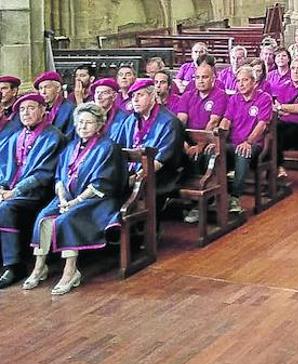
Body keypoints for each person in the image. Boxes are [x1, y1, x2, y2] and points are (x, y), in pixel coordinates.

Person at [24, 103, 127, 295]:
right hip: (68, 198)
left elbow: (103, 183)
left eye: (88, 123)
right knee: (43, 217)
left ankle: (70, 271)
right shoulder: (71, 146)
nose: (83, 126)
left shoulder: (108, 147)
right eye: (80, 122)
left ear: (99, 125)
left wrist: (75, 202)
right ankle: (39, 267)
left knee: (66, 220)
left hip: (97, 200)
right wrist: (62, 196)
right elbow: (59, 177)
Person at [0, 94, 65, 289]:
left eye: (31, 108)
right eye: (21, 109)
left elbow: (43, 175)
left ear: (43, 110)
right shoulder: (15, 137)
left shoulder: (53, 136)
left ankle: (14, 265)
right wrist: (3, 187)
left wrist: (14, 191)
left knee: (5, 208)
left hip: (39, 193)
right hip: (12, 191)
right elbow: (4, 167)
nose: (26, 113)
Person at [110, 79, 183, 211]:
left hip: (159, 173)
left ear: (153, 96)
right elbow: (117, 147)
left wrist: (135, 178)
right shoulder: (130, 120)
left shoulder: (170, 122)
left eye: (140, 95)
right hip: (132, 171)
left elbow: (162, 160)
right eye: (133, 96)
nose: (135, 100)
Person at [176, 61, 228, 224]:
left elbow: (213, 123)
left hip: (211, 140)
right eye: (197, 77)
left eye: (205, 77)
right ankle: (178, 196)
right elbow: (180, 121)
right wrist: (183, 144)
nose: (200, 80)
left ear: (213, 78)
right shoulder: (187, 95)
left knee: (206, 155)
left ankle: (202, 201)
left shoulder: (220, 95)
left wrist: (200, 145)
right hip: (188, 141)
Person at [218, 66, 272, 212]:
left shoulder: (264, 98)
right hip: (233, 143)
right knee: (213, 151)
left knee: (243, 152)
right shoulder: (234, 99)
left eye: (245, 80)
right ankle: (215, 195)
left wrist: (248, 142)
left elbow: (261, 125)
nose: (241, 84)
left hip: (254, 144)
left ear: (254, 82)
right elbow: (226, 120)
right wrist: (218, 139)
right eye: (238, 81)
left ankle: (235, 198)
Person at [34, 71, 75, 138]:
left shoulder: (70, 109)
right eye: (40, 88)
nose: (43, 92)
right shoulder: (40, 109)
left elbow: (70, 136)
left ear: (58, 88)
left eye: (47, 87)